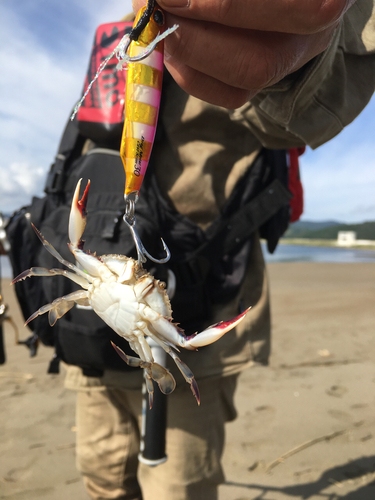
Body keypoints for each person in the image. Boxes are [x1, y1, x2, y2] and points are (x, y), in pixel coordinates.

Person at [61, 0, 375, 499]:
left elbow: (318, 89)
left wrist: (295, 60)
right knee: (100, 475)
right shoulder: (120, 27)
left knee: (178, 485)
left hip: (199, 298)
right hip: (85, 339)